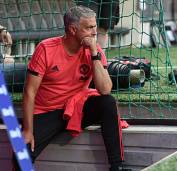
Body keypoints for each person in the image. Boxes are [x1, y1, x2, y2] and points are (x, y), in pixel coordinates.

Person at [12, 5, 131, 171]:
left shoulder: (94, 51)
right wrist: (27, 130)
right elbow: (29, 92)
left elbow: (105, 89)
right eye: (89, 28)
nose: (94, 32)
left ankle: (117, 166)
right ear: (73, 29)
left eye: (94, 26)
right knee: (20, 156)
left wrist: (94, 53)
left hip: (75, 108)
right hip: (46, 111)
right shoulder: (46, 48)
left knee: (107, 102)